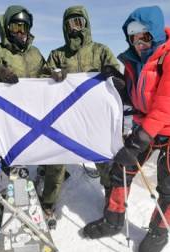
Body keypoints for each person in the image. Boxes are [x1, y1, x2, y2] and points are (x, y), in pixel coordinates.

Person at [83, 6, 170, 252]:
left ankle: (159, 232)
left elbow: (167, 103)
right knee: (121, 169)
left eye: (144, 35)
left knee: (169, 187)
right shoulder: (134, 61)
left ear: (155, 33)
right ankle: (113, 220)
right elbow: (137, 98)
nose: (138, 41)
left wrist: (137, 142)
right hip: (148, 123)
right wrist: (118, 82)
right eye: (133, 35)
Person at [38, 5, 121, 229]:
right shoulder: (58, 54)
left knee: (104, 159)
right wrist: (52, 74)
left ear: (86, 24)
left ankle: (111, 202)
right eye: (70, 23)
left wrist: (111, 73)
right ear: (65, 27)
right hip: (66, 120)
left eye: (79, 22)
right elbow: (42, 80)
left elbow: (118, 77)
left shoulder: (100, 51)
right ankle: (48, 202)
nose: (75, 27)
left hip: (95, 120)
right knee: (56, 162)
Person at [0, 5, 49, 227]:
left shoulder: (35, 54)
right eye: (15, 26)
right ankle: (8, 207)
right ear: (7, 28)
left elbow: (44, 78)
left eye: (24, 26)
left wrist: (56, 76)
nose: (20, 31)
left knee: (27, 160)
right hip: (6, 121)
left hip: (32, 120)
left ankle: (27, 193)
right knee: (9, 164)